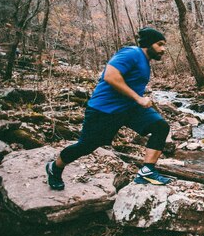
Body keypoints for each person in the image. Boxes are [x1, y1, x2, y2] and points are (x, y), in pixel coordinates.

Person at [45, 27, 172, 190]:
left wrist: (138, 100)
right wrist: (139, 98)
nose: (163, 49)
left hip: (129, 109)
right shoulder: (131, 53)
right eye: (160, 44)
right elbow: (110, 76)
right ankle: (54, 168)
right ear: (148, 44)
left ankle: (147, 172)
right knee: (86, 146)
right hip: (104, 110)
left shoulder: (145, 62)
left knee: (160, 126)